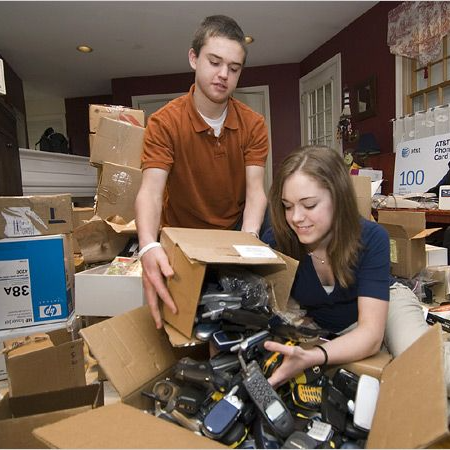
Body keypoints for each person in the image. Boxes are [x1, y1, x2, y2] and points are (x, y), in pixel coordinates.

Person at [261, 145, 450, 390]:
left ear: (338, 199)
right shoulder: (277, 242)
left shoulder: (371, 237)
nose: (296, 217)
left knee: (428, 367)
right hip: (334, 323)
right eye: (287, 206)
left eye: (308, 205)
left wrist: (314, 355)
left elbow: (370, 335)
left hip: (387, 303)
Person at [135, 15, 269, 328]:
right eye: (215, 62)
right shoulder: (163, 123)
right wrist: (147, 246)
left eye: (234, 68)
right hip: (184, 233)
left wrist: (247, 242)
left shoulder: (254, 124)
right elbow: (150, 192)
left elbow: (256, 191)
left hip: (234, 227)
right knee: (190, 320)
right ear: (194, 58)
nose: (224, 75)